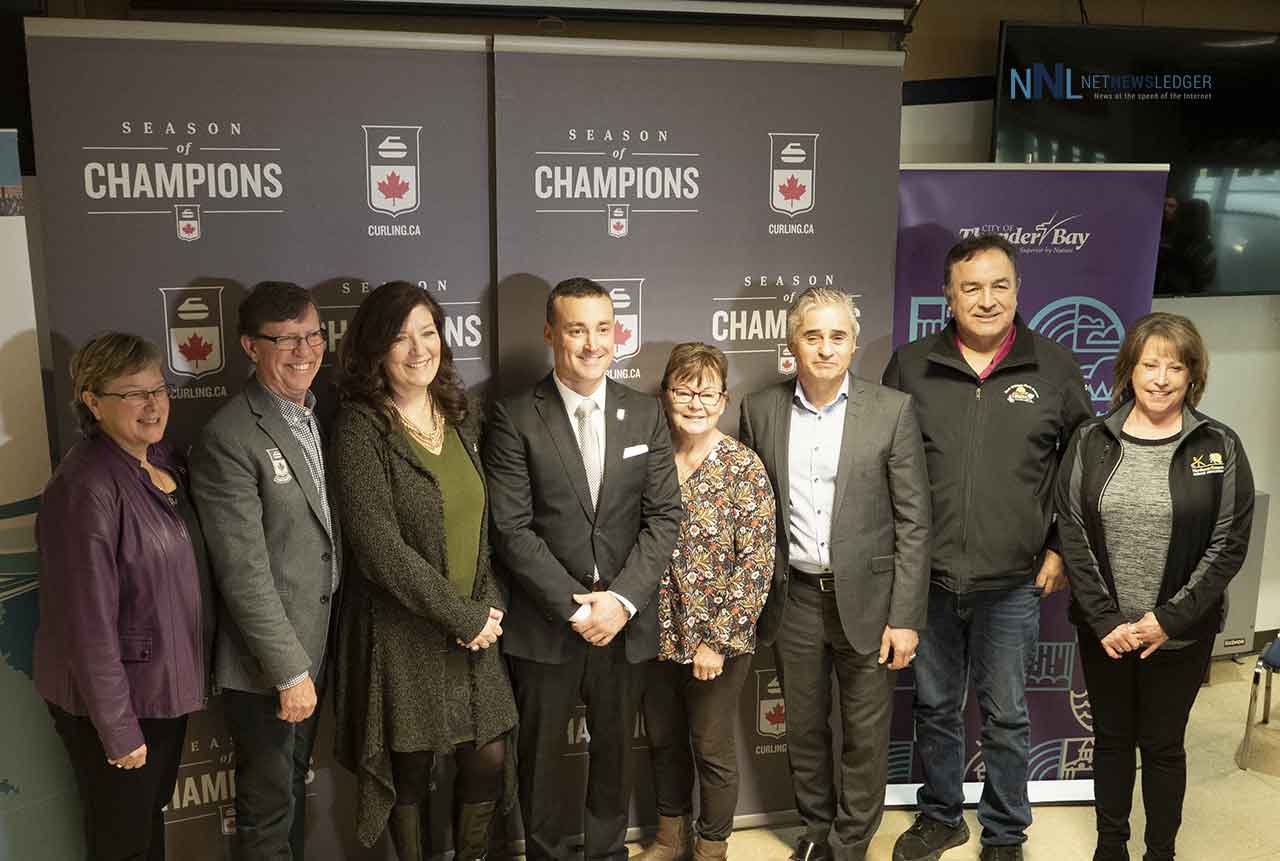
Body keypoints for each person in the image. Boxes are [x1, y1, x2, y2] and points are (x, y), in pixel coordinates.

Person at [883, 233, 1093, 861]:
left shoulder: (1054, 368)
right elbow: (885, 467)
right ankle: (942, 815)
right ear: (948, 295)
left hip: (1013, 583)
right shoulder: (911, 365)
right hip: (930, 580)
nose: (986, 299)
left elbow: (1083, 469)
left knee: (1006, 717)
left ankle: (1005, 831)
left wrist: (1059, 546)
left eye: (999, 285)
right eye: (971, 287)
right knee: (937, 707)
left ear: (1018, 289)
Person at [483, 276, 683, 861]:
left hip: (624, 623)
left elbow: (664, 517)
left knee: (616, 754)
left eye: (603, 328)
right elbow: (511, 529)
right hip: (547, 625)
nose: (592, 343)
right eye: (576, 329)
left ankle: (605, 853)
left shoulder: (644, 413)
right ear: (551, 333)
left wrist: (620, 603)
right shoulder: (515, 416)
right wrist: (578, 606)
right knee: (540, 760)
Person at [739, 287, 931, 861]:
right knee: (802, 728)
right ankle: (817, 833)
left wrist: (904, 618)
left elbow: (914, 522)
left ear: (853, 344)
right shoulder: (760, 409)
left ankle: (850, 844)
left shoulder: (891, 410)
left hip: (872, 602)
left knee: (866, 736)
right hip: (792, 597)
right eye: (812, 335)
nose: (825, 348)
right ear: (792, 342)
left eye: (838, 336)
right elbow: (752, 513)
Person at [328, 281, 518, 859]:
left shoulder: (461, 415)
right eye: (400, 337)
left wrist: (483, 607)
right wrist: (460, 615)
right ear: (374, 350)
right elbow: (379, 550)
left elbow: (479, 525)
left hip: (472, 625)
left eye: (428, 332)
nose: (418, 349)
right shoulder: (360, 428)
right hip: (401, 627)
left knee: (487, 754)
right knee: (408, 768)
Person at [1054, 312, 1254, 861]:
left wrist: (1169, 619)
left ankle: (1160, 852)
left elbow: (1227, 545)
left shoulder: (1220, 445)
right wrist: (1107, 621)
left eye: (1176, 366)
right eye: (1150, 364)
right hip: (1108, 633)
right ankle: (1110, 847)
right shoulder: (1092, 440)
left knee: (1164, 746)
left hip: (1181, 635)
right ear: (1129, 371)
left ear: (1193, 376)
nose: (1161, 377)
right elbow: (1071, 531)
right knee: (1113, 741)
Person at [34, 332, 213, 861]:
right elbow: (85, 623)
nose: (153, 404)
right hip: (117, 704)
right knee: (123, 844)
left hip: (160, 689)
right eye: (133, 394)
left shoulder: (160, 462)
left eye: (158, 388)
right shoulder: (84, 486)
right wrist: (117, 728)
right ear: (93, 401)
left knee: (144, 827)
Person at [190, 281, 341, 860]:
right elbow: (243, 570)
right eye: (286, 341)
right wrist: (288, 672)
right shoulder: (230, 435)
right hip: (267, 667)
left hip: (317, 644)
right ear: (251, 348)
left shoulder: (313, 413)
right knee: (267, 809)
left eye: (312, 335)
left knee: (291, 799)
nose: (305, 351)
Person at [636, 343, 775, 861]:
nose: (695, 402)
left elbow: (756, 564)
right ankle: (671, 839)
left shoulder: (743, 466)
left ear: (724, 400)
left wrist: (717, 640)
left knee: (711, 748)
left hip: (718, 642)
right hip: (653, 633)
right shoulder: (649, 461)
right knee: (664, 741)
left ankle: (711, 848)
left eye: (706, 392)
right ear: (666, 395)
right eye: (683, 390)